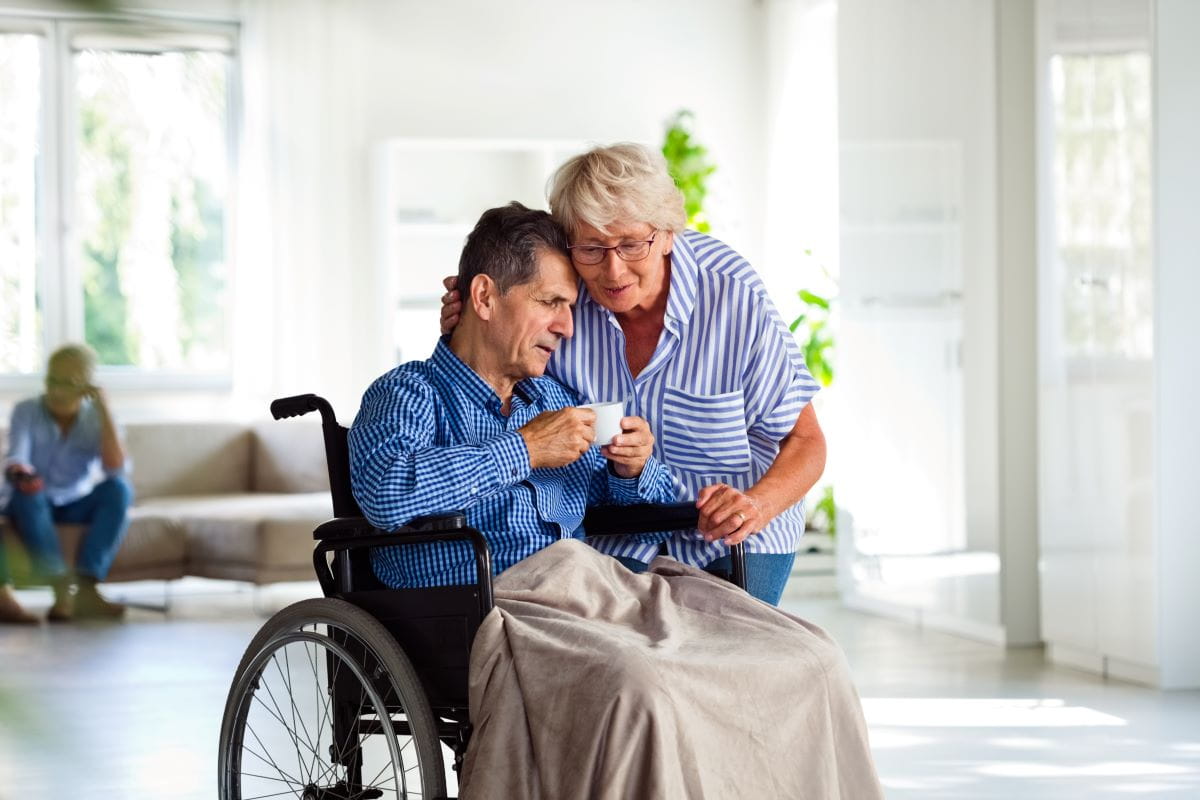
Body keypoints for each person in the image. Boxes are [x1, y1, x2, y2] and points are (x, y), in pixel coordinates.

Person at [441, 143, 825, 605]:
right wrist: (475, 322)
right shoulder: (564, 299)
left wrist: (755, 506)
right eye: (592, 248)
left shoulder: (731, 296)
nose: (612, 269)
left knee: (725, 656)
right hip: (618, 528)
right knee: (632, 655)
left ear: (666, 234)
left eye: (630, 243)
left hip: (734, 533)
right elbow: (493, 375)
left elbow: (806, 442)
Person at [349, 202, 676, 588]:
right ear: (485, 297)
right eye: (550, 301)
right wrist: (525, 449)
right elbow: (387, 492)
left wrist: (632, 469)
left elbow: (648, 527)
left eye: (570, 307)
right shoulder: (410, 393)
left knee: (731, 625)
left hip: (588, 590)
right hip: (492, 607)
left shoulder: (553, 401)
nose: (567, 328)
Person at [1, 344, 131, 622]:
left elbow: (116, 468)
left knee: (119, 490)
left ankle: (86, 588)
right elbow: (17, 457)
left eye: (67, 382)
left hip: (75, 500)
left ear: (86, 385)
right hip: (32, 498)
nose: (57, 390)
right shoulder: (27, 410)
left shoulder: (96, 416)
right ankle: (61, 592)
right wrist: (23, 472)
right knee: (28, 493)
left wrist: (103, 408)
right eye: (52, 380)